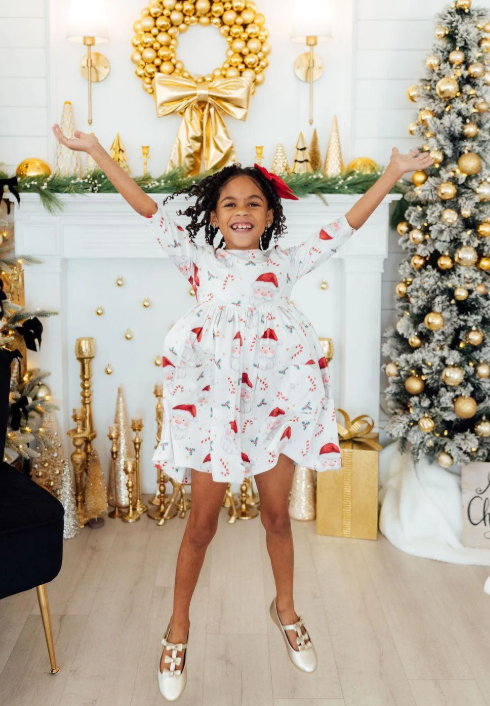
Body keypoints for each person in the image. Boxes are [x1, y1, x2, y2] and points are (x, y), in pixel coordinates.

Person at [52, 123, 433, 701]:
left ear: (270, 214)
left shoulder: (287, 262)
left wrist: (393, 173)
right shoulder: (197, 260)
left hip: (272, 409)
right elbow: (147, 208)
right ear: (214, 215)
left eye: (254, 202)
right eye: (230, 202)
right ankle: (177, 629)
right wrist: (97, 151)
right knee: (200, 527)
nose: (241, 211)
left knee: (276, 518)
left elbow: (346, 225)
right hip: (216, 411)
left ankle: (287, 610)